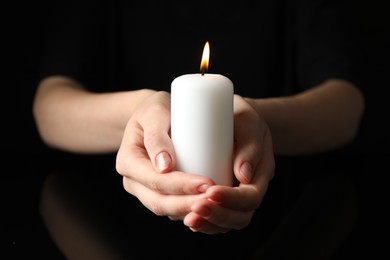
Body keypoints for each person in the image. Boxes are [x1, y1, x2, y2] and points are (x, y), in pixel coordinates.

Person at [32, 0, 366, 259]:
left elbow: (347, 105)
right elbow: (49, 109)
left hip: (280, 210)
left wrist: (252, 119)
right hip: (114, 217)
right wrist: (140, 113)